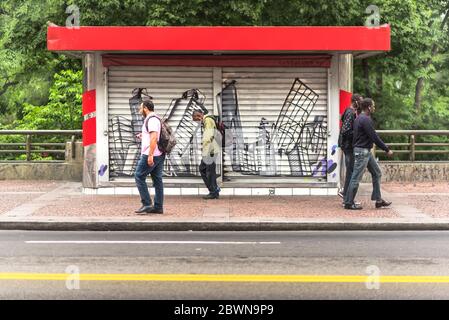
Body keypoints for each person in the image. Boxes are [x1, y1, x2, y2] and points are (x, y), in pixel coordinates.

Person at [344, 98, 394, 210]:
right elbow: (374, 137)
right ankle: (348, 202)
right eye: (373, 106)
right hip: (363, 152)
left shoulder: (359, 119)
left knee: (377, 172)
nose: (374, 108)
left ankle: (378, 200)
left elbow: (356, 136)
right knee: (356, 177)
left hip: (364, 151)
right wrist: (387, 149)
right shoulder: (365, 120)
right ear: (369, 107)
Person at [134, 100, 165, 214]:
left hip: (151, 154)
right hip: (159, 154)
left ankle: (146, 203)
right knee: (157, 180)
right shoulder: (155, 119)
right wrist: (143, 136)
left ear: (146, 108)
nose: (140, 110)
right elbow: (151, 136)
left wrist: (150, 155)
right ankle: (158, 207)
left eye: (141, 108)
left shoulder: (151, 120)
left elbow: (154, 138)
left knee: (138, 176)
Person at [338, 94, 363, 202]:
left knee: (350, 170)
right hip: (349, 146)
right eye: (360, 102)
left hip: (347, 146)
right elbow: (345, 130)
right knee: (351, 171)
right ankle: (346, 196)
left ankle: (345, 195)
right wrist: (358, 133)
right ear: (355, 102)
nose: (361, 104)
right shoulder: (350, 113)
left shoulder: (350, 112)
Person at [192, 109, 221, 199]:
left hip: (210, 150)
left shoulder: (208, 120)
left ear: (198, 116)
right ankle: (214, 190)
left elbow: (208, 137)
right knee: (205, 169)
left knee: (209, 171)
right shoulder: (207, 120)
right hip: (211, 150)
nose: (197, 122)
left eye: (196, 119)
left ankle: (213, 192)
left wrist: (205, 150)